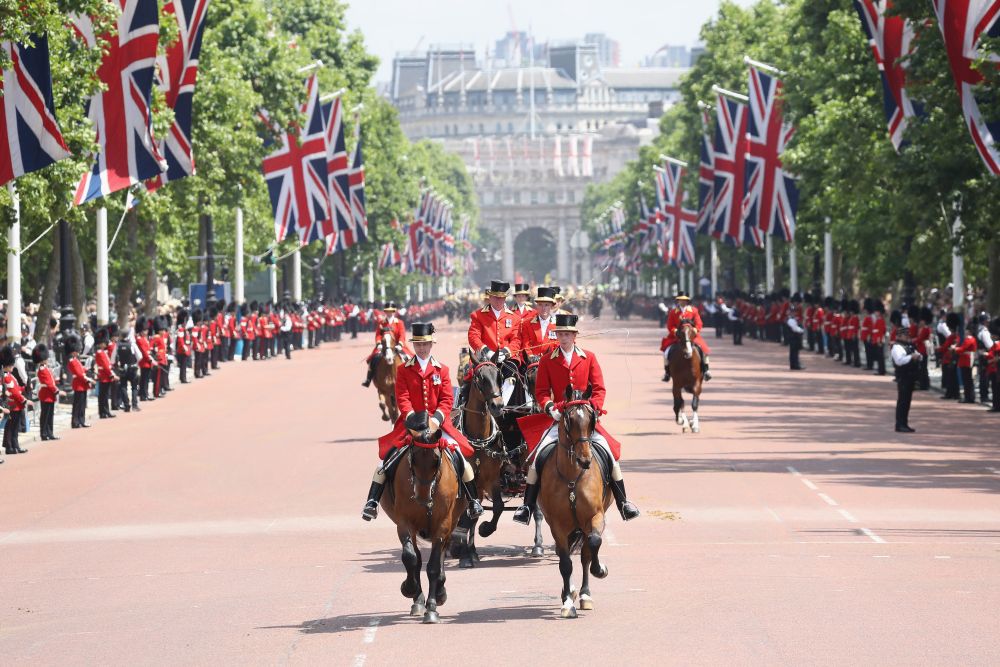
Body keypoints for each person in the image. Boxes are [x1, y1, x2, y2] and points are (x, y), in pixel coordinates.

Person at [513, 313, 640, 523]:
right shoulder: (547, 360)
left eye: (567, 334)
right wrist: (550, 407)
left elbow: (599, 389)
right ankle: (526, 507)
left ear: (574, 336)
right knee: (537, 459)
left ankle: (623, 502)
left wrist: (594, 408)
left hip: (585, 420)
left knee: (610, 454)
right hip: (560, 418)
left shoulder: (589, 357)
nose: (563, 338)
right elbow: (542, 392)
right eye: (560, 334)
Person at [362, 322, 483, 521]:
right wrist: (411, 418)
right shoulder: (404, 370)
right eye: (418, 345)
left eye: (425, 344)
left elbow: (446, 400)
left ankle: (473, 501)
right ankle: (372, 502)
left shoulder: (442, 370)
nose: (421, 348)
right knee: (385, 459)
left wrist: (435, 420)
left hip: (438, 425)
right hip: (410, 424)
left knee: (459, 456)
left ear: (431, 344)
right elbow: (402, 397)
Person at [660, 291, 712, 383]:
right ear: (678, 301)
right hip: (677, 337)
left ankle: (706, 370)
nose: (682, 302)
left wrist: (695, 330)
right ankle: (667, 372)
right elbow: (670, 325)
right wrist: (675, 331)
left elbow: (699, 323)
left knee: (704, 350)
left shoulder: (694, 310)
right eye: (681, 300)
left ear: (687, 301)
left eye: (684, 300)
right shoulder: (673, 312)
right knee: (666, 351)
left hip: (692, 336)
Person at [361, 302, 410, 387]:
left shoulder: (399, 322)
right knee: (373, 359)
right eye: (387, 311)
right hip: (383, 346)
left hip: (397, 345)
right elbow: (378, 334)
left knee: (409, 359)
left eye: (391, 311)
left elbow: (402, 335)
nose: (389, 313)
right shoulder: (381, 322)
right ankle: (368, 379)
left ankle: (412, 379)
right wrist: (379, 343)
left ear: (394, 311)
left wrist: (400, 344)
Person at [1, 344, 30, 455]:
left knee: (14, 427)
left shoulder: (10, 375)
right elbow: (13, 392)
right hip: (13, 405)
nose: (13, 367)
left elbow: (17, 389)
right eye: (11, 365)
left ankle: (15, 445)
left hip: (16, 405)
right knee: (10, 427)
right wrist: (24, 400)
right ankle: (9, 446)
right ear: (7, 365)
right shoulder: (6, 376)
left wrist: (25, 387)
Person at [891, 326, 921, 433]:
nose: (907, 337)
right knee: (903, 401)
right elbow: (899, 361)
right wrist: (911, 357)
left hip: (910, 376)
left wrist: (917, 356)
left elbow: (918, 354)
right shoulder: (897, 347)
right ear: (899, 336)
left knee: (907, 401)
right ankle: (900, 424)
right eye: (905, 335)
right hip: (903, 376)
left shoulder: (908, 346)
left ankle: (904, 423)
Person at [518, 286, 559, 362]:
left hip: (551, 361)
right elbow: (525, 344)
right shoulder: (527, 323)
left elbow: (558, 346)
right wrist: (531, 357)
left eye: (546, 305)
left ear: (551, 306)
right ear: (537, 306)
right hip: (531, 363)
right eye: (540, 304)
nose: (543, 308)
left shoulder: (557, 326)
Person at [33, 343, 63, 440]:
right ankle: (44, 434)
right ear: (42, 359)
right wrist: (57, 391)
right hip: (46, 394)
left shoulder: (45, 368)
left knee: (50, 415)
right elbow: (48, 383)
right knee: (45, 416)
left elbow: (51, 380)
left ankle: (50, 433)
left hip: (49, 394)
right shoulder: (42, 369)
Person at [65, 334, 93, 428]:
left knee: (82, 404)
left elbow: (81, 370)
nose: (78, 352)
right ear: (73, 352)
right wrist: (88, 379)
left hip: (82, 384)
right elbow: (79, 374)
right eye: (76, 351)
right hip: (79, 385)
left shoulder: (76, 360)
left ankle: (81, 420)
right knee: (77, 405)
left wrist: (87, 370)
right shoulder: (72, 361)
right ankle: (75, 422)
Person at [953, 321, 979, 404]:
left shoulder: (969, 339)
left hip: (966, 361)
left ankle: (969, 397)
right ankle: (969, 396)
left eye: (966, 330)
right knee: (968, 380)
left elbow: (963, 349)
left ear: (969, 331)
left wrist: (955, 349)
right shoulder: (971, 339)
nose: (965, 332)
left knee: (967, 380)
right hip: (966, 360)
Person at [94, 328, 117, 419]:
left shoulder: (103, 352)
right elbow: (106, 366)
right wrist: (112, 374)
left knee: (105, 395)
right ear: (100, 343)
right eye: (104, 342)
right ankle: (103, 412)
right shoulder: (100, 353)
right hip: (104, 376)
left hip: (106, 376)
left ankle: (105, 411)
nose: (105, 344)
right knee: (103, 395)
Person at [786, 296, 806, 371]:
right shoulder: (791, 320)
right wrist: (801, 330)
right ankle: (795, 364)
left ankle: (794, 364)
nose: (794, 313)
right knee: (794, 352)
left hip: (793, 337)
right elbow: (795, 328)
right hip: (794, 337)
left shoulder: (792, 318)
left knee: (794, 351)